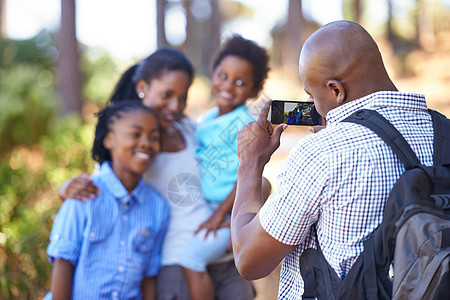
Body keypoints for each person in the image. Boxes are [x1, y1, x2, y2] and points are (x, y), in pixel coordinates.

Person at [230, 20, 435, 300]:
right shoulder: (444, 131)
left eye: (312, 96)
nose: (313, 106)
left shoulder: (322, 153)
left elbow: (248, 259)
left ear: (336, 91)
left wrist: (250, 164)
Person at [57, 47, 257, 300]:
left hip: (224, 258)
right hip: (175, 269)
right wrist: (64, 191)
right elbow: (103, 192)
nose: (174, 106)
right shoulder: (132, 148)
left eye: (182, 97)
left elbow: (231, 175)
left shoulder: (189, 129)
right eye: (166, 94)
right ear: (143, 88)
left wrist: (236, 215)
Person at [46, 101, 170, 299]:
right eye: (135, 134)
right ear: (109, 140)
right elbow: (63, 264)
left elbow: (149, 277)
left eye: (154, 137)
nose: (146, 142)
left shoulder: (158, 207)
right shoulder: (83, 193)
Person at [179, 34, 270, 300]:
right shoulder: (207, 118)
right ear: (213, 73)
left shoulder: (245, 124)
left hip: (230, 214)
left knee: (191, 259)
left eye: (241, 83)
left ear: (254, 91)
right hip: (206, 208)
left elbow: (245, 177)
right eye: (223, 76)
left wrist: (221, 216)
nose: (229, 86)